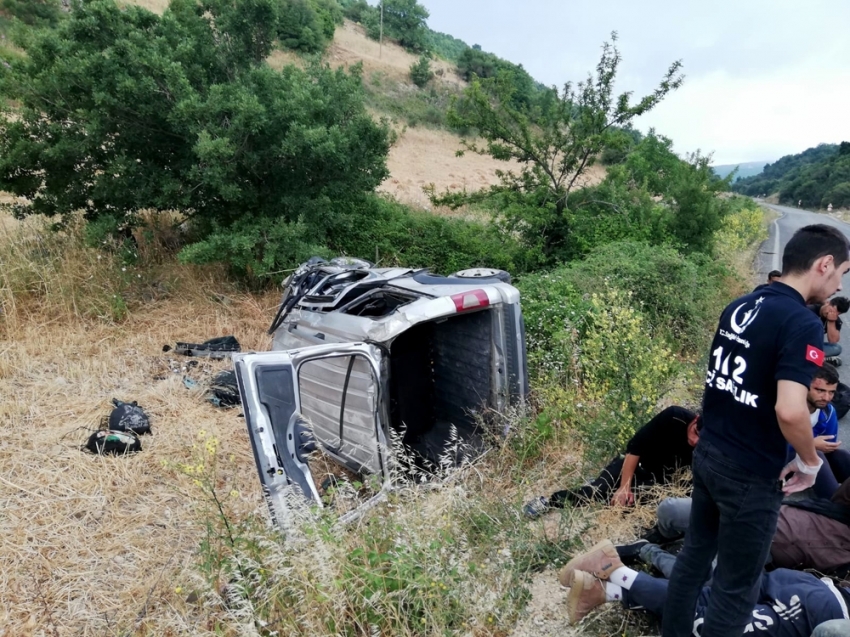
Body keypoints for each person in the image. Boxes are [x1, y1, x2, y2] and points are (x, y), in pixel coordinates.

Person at [663, 224, 850, 637]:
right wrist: (809, 460)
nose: (840, 283)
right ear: (824, 264)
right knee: (736, 588)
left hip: (711, 452)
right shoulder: (803, 322)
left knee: (694, 559)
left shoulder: (741, 305)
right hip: (750, 472)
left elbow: (721, 382)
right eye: (842, 272)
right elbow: (789, 410)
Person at [561, 539, 850, 632]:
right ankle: (614, 568)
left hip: (813, 589)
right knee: (709, 624)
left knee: (713, 601)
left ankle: (603, 590)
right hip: (826, 612)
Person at [522, 406, 699, 518]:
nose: (695, 441)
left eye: (702, 439)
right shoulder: (674, 416)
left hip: (656, 482)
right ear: (696, 420)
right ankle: (549, 501)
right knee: (597, 492)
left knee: (627, 507)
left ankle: (606, 485)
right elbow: (635, 447)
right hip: (634, 465)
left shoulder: (711, 446)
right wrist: (624, 486)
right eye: (695, 432)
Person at [808, 297, 850, 365]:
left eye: (836, 314)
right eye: (830, 311)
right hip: (799, 342)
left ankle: (814, 359)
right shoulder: (809, 310)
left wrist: (831, 321)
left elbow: (833, 341)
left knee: (836, 348)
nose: (830, 314)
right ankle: (820, 360)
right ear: (828, 303)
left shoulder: (834, 319)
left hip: (813, 346)